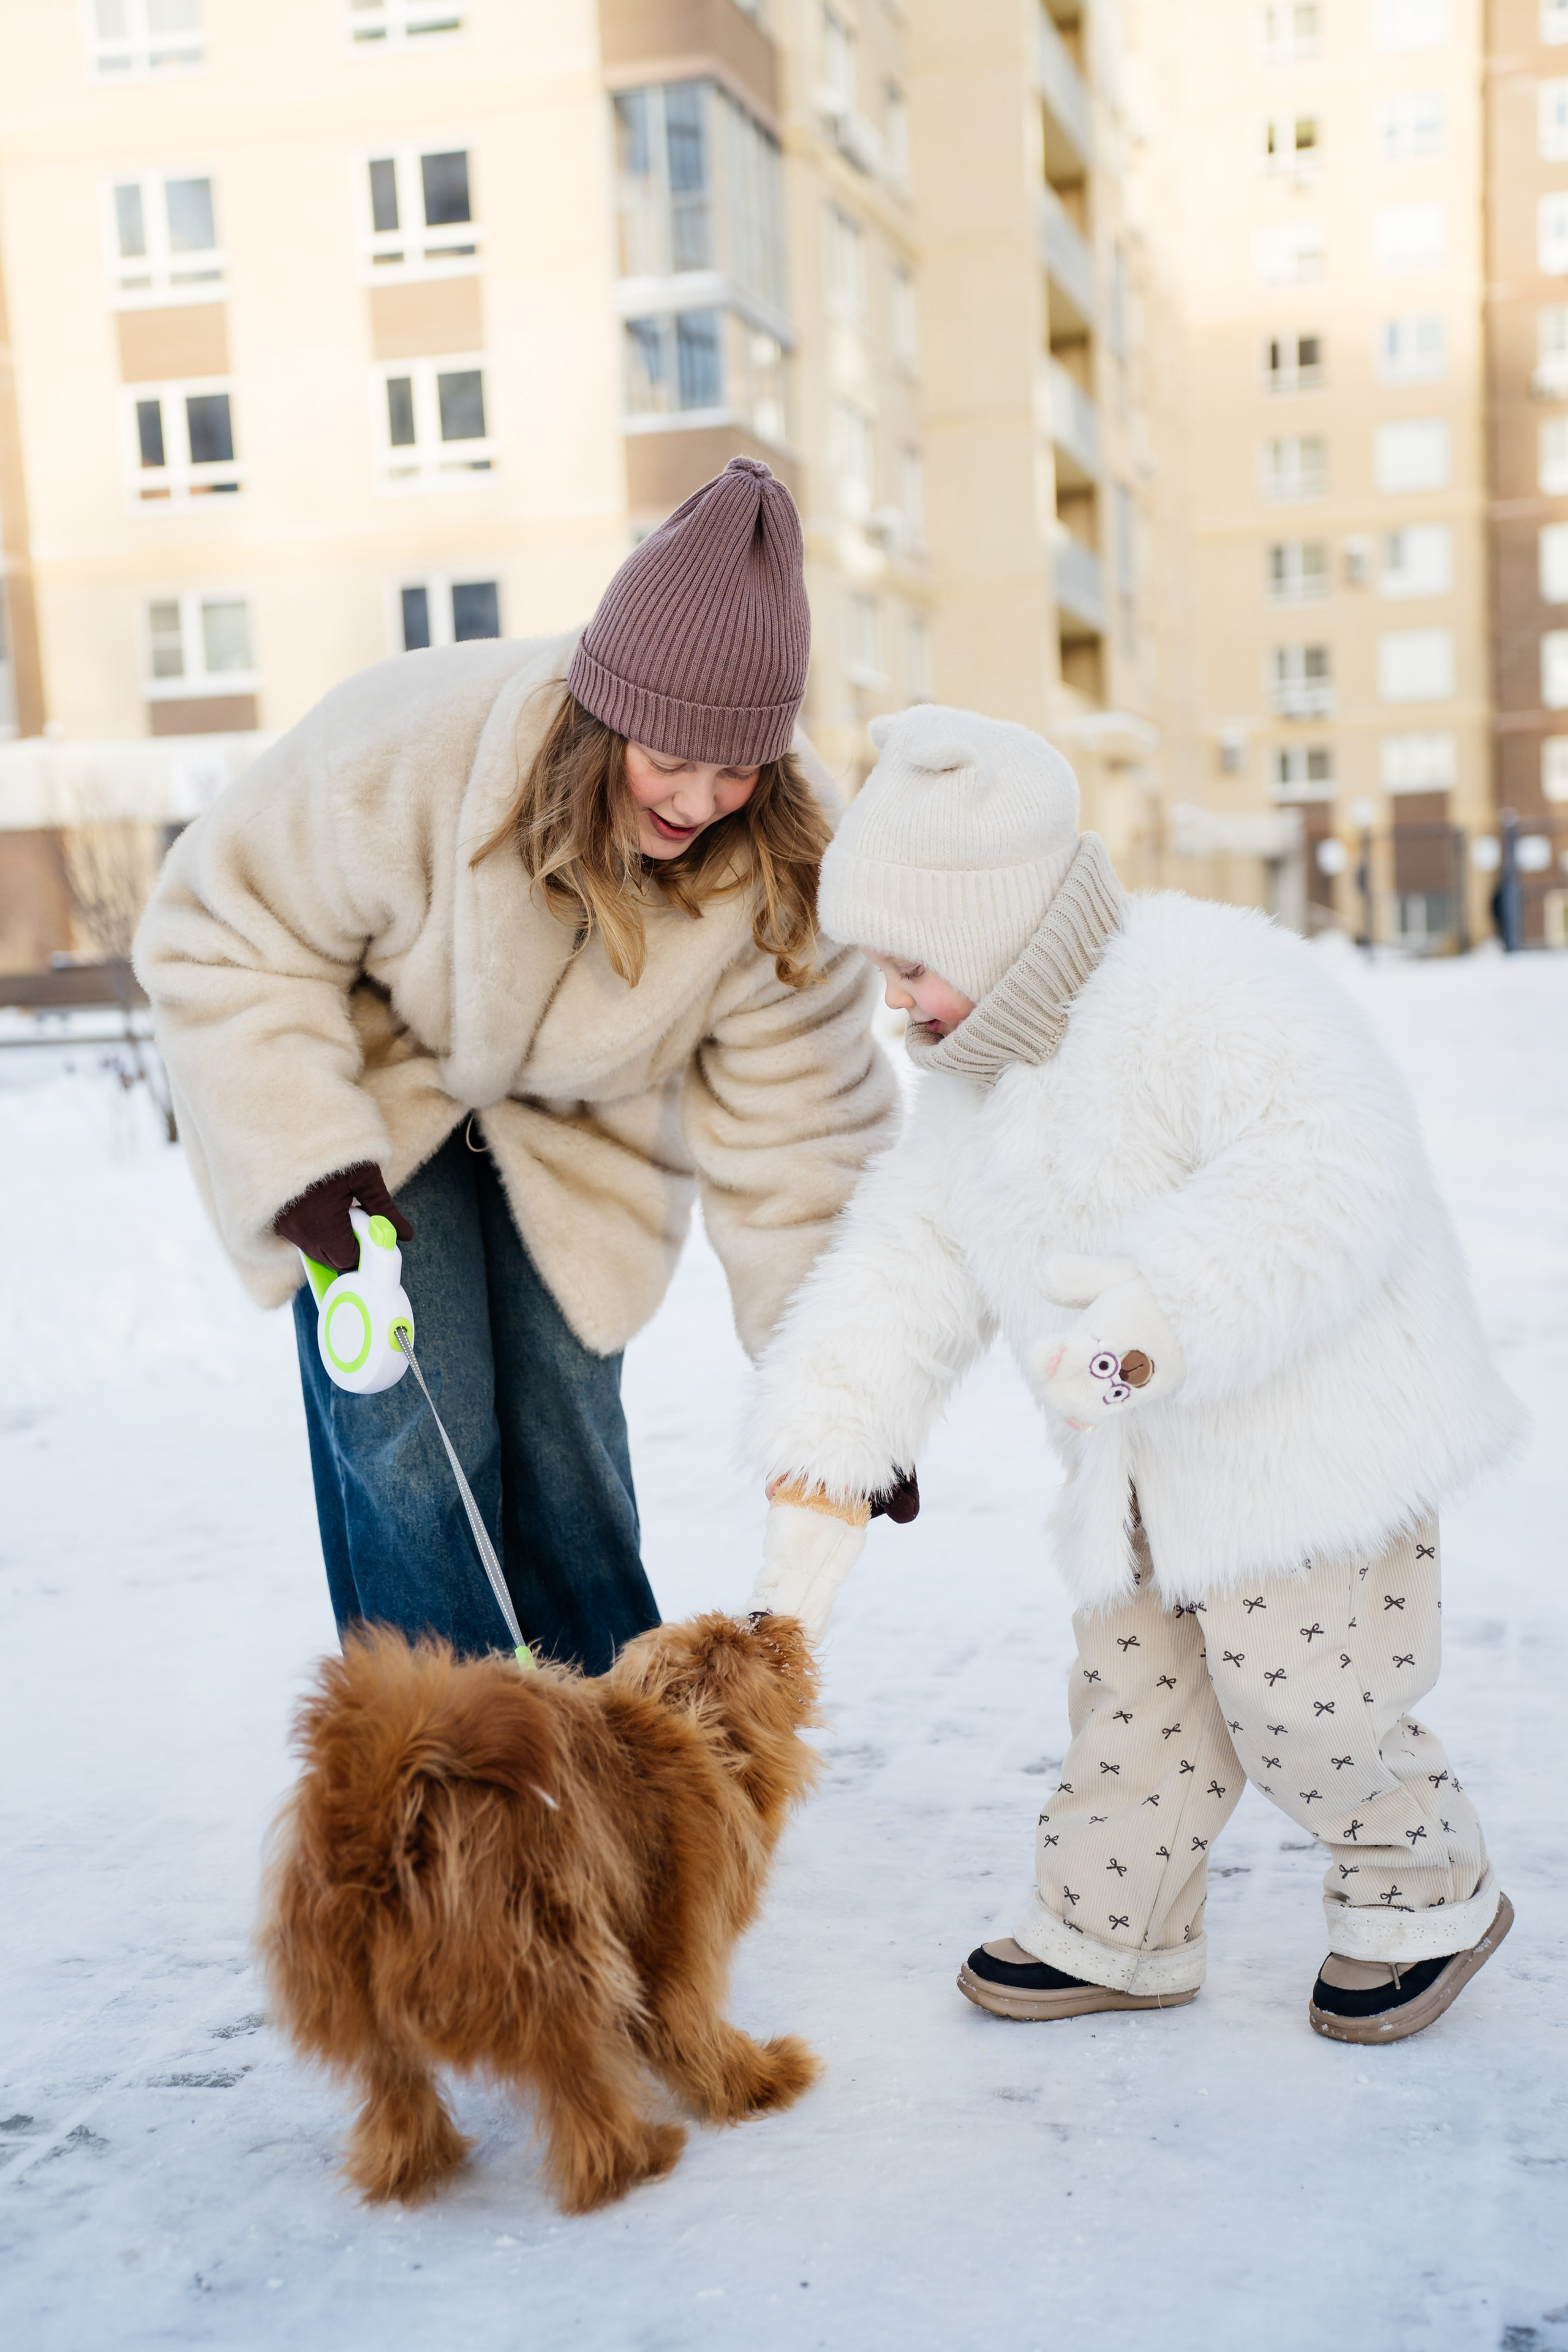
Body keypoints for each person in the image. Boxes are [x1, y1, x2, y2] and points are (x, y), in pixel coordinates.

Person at [747, 703, 1521, 2045]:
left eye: (911, 962)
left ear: (994, 925)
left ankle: (1421, 1892)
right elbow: (904, 1261)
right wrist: (833, 1434)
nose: (894, 1000)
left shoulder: (1208, 990)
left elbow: (1329, 1171)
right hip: (1143, 1467)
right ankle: (1117, 1926)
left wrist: (1155, 1307)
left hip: (1314, 1444)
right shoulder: (970, 1089)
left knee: (1303, 1704)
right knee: (1135, 1699)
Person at [134, 459, 897, 1675]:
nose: (698, 798)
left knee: (567, 1448)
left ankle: (614, 1775)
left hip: (585, 1139)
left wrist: (844, 1393)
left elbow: (799, 1140)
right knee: (409, 1441)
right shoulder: (404, 747)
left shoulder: (782, 872)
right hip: (368, 1106)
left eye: (734, 767)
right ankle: (453, 1777)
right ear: (605, 714)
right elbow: (218, 930)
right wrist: (313, 1179)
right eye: (667, 758)